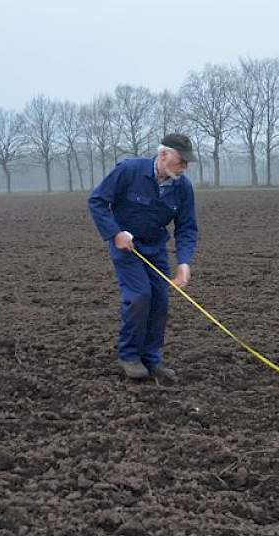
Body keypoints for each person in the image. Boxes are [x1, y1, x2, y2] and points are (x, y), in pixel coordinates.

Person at [88, 134, 199, 382]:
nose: (185, 167)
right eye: (181, 161)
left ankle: (151, 358)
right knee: (140, 296)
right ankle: (129, 355)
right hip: (126, 247)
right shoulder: (129, 171)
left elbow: (187, 227)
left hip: (155, 248)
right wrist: (115, 233)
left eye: (187, 163)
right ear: (164, 155)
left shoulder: (183, 187)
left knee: (160, 299)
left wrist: (183, 263)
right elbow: (97, 201)